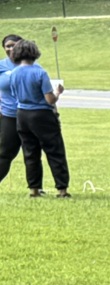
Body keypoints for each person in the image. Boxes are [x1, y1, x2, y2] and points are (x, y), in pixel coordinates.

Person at [8, 40, 70, 199]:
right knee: (54, 151)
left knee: (30, 152)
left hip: (22, 114)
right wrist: (57, 93)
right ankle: (62, 189)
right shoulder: (40, 72)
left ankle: (34, 188)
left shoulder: (13, 73)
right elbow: (49, 99)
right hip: (42, 115)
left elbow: (15, 95)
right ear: (34, 53)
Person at [0, 35, 20, 186]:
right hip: (9, 116)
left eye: (14, 45)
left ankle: (35, 188)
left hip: (30, 115)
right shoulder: (1, 66)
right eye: (8, 46)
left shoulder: (31, 65)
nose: (11, 48)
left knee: (32, 153)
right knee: (6, 153)